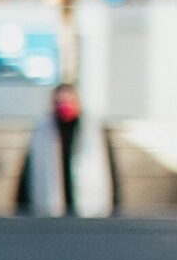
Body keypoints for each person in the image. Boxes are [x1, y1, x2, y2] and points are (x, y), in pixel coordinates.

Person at [14, 82, 116, 216]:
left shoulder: (92, 132)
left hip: (86, 207)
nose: (64, 106)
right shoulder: (42, 132)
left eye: (68, 101)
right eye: (60, 102)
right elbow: (29, 171)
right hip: (52, 208)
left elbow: (109, 169)